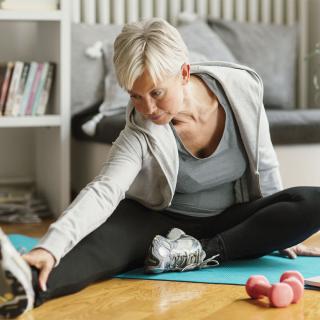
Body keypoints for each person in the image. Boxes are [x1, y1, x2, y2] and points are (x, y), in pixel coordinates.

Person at [1, 17, 320, 318]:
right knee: (99, 245)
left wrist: (279, 233)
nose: (148, 108)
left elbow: (265, 164)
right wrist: (49, 247)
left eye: (156, 93)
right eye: (136, 96)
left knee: (311, 201)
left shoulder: (242, 87)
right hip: (158, 221)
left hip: (230, 221)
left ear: (183, 73)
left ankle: (200, 252)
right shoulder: (140, 129)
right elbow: (104, 190)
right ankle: (27, 285)